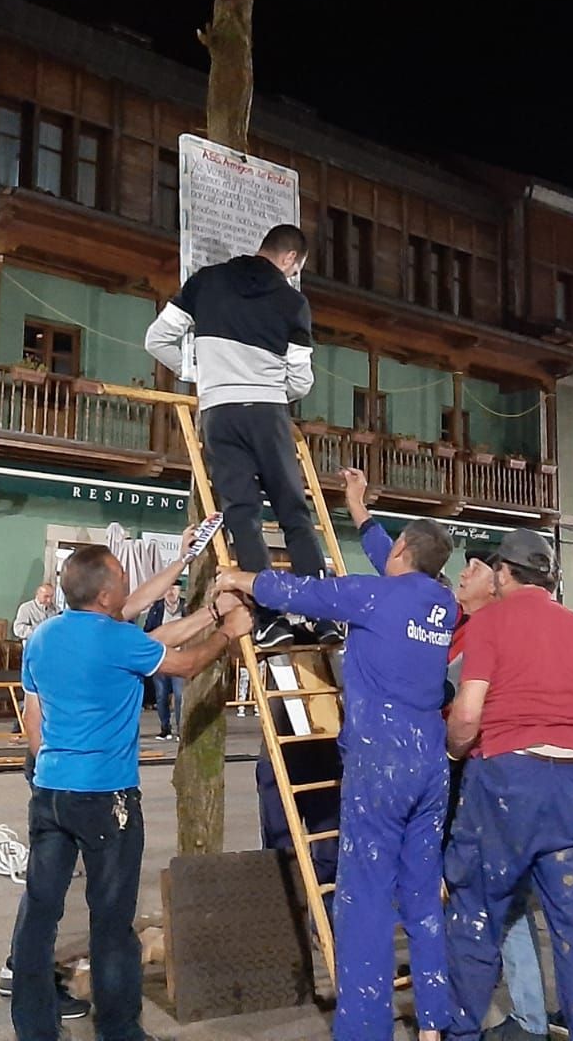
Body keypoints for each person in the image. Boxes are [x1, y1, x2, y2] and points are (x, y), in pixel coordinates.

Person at [217, 468, 458, 1041]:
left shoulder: (373, 596)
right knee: (423, 893)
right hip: (430, 757)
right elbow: (393, 565)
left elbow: (296, 591)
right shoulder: (441, 604)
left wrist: (237, 575)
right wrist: (358, 508)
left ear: (402, 551)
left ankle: (363, 1028)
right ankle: (434, 1022)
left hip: (381, 758)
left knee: (365, 898)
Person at [8, 544, 245, 1041]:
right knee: (112, 924)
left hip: (49, 790)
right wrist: (226, 631)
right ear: (106, 592)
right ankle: (118, 1031)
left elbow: (33, 717)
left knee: (39, 910)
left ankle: (34, 1027)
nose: (125, 584)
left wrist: (186, 572)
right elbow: (182, 663)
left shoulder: (44, 636)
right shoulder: (117, 640)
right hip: (106, 796)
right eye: (120, 576)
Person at [444, 529, 573, 1041]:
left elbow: (468, 714)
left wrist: (455, 751)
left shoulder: (489, 622)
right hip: (569, 788)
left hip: (503, 782)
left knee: (477, 912)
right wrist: (566, 747)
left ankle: (462, 1033)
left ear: (503, 573)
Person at [145, 224, 331, 647]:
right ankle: (322, 615)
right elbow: (300, 381)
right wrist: (266, 385)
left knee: (242, 515)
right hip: (267, 413)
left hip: (218, 412)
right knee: (293, 514)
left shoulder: (205, 282)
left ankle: (267, 620)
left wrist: (199, 376)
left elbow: (157, 339)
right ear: (291, 259)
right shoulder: (292, 301)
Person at [144, 584, 185, 741]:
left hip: (180, 656)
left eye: (174, 589)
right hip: (160, 657)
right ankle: (165, 728)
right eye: (168, 588)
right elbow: (148, 629)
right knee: (161, 695)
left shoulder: (185, 607)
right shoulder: (157, 608)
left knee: (180, 695)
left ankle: (181, 730)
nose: (171, 592)